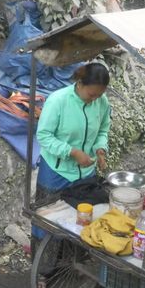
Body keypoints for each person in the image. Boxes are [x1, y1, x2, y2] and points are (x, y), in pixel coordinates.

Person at [32, 63, 111, 242]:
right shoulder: (58, 101)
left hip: (85, 175)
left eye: (100, 95)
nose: (95, 99)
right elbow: (44, 136)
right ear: (80, 83)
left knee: (80, 221)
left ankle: (71, 261)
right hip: (56, 173)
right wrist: (72, 152)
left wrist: (100, 148)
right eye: (92, 95)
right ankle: (43, 264)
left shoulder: (101, 102)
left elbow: (103, 130)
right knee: (47, 220)